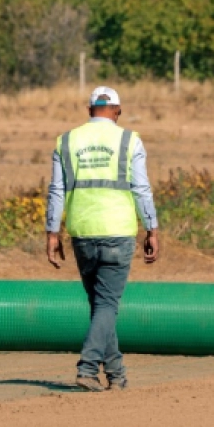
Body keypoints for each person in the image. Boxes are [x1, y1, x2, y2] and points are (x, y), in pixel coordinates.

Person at [46, 86, 160, 392]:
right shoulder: (129, 140)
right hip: (118, 232)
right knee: (107, 304)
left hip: (82, 233)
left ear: (89, 111)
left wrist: (52, 232)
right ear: (118, 111)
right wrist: (152, 228)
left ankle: (116, 374)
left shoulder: (66, 141)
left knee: (101, 306)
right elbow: (141, 189)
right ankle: (87, 368)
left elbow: (56, 190)